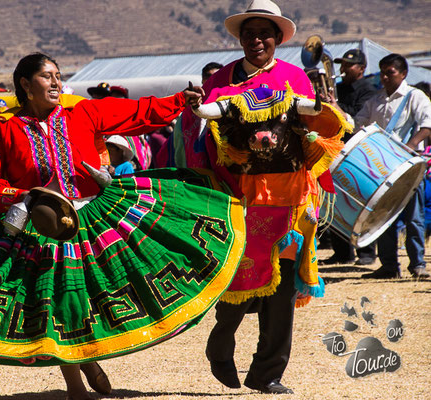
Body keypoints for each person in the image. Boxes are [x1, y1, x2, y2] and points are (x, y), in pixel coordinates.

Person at [0, 52, 246, 400]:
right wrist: (20, 196)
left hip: (93, 217)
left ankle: (89, 358)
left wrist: (181, 100)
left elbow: (138, 113)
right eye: (47, 77)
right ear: (25, 84)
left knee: (98, 297)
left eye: (59, 76)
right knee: (60, 300)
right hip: (42, 227)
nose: (57, 83)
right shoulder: (4, 130)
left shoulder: (84, 114)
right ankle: (74, 380)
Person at [180, 0, 326, 394]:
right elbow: (200, 143)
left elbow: (316, 132)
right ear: (240, 38)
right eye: (249, 33)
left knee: (282, 286)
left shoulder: (296, 79)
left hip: (291, 195)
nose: (256, 40)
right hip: (236, 195)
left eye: (264, 33)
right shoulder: (220, 83)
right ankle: (221, 344)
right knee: (240, 277)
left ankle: (268, 373)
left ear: (278, 38)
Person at [355, 54, 431, 279]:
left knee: (413, 218)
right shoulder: (375, 101)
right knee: (383, 218)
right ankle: (389, 266)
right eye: (383, 73)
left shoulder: (414, 96)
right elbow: (358, 124)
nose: (385, 77)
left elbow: (428, 125)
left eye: (391, 72)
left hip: (408, 167)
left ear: (404, 73)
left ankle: (417, 265)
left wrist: (411, 144)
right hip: (383, 169)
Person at [319, 49, 378, 266]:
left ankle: (366, 252)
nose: (342, 69)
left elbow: (358, 118)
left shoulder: (369, 91)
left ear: (362, 68)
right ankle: (342, 252)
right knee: (334, 201)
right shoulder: (339, 88)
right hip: (334, 148)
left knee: (359, 199)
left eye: (348, 65)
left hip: (357, 150)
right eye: (341, 65)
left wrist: (336, 106)